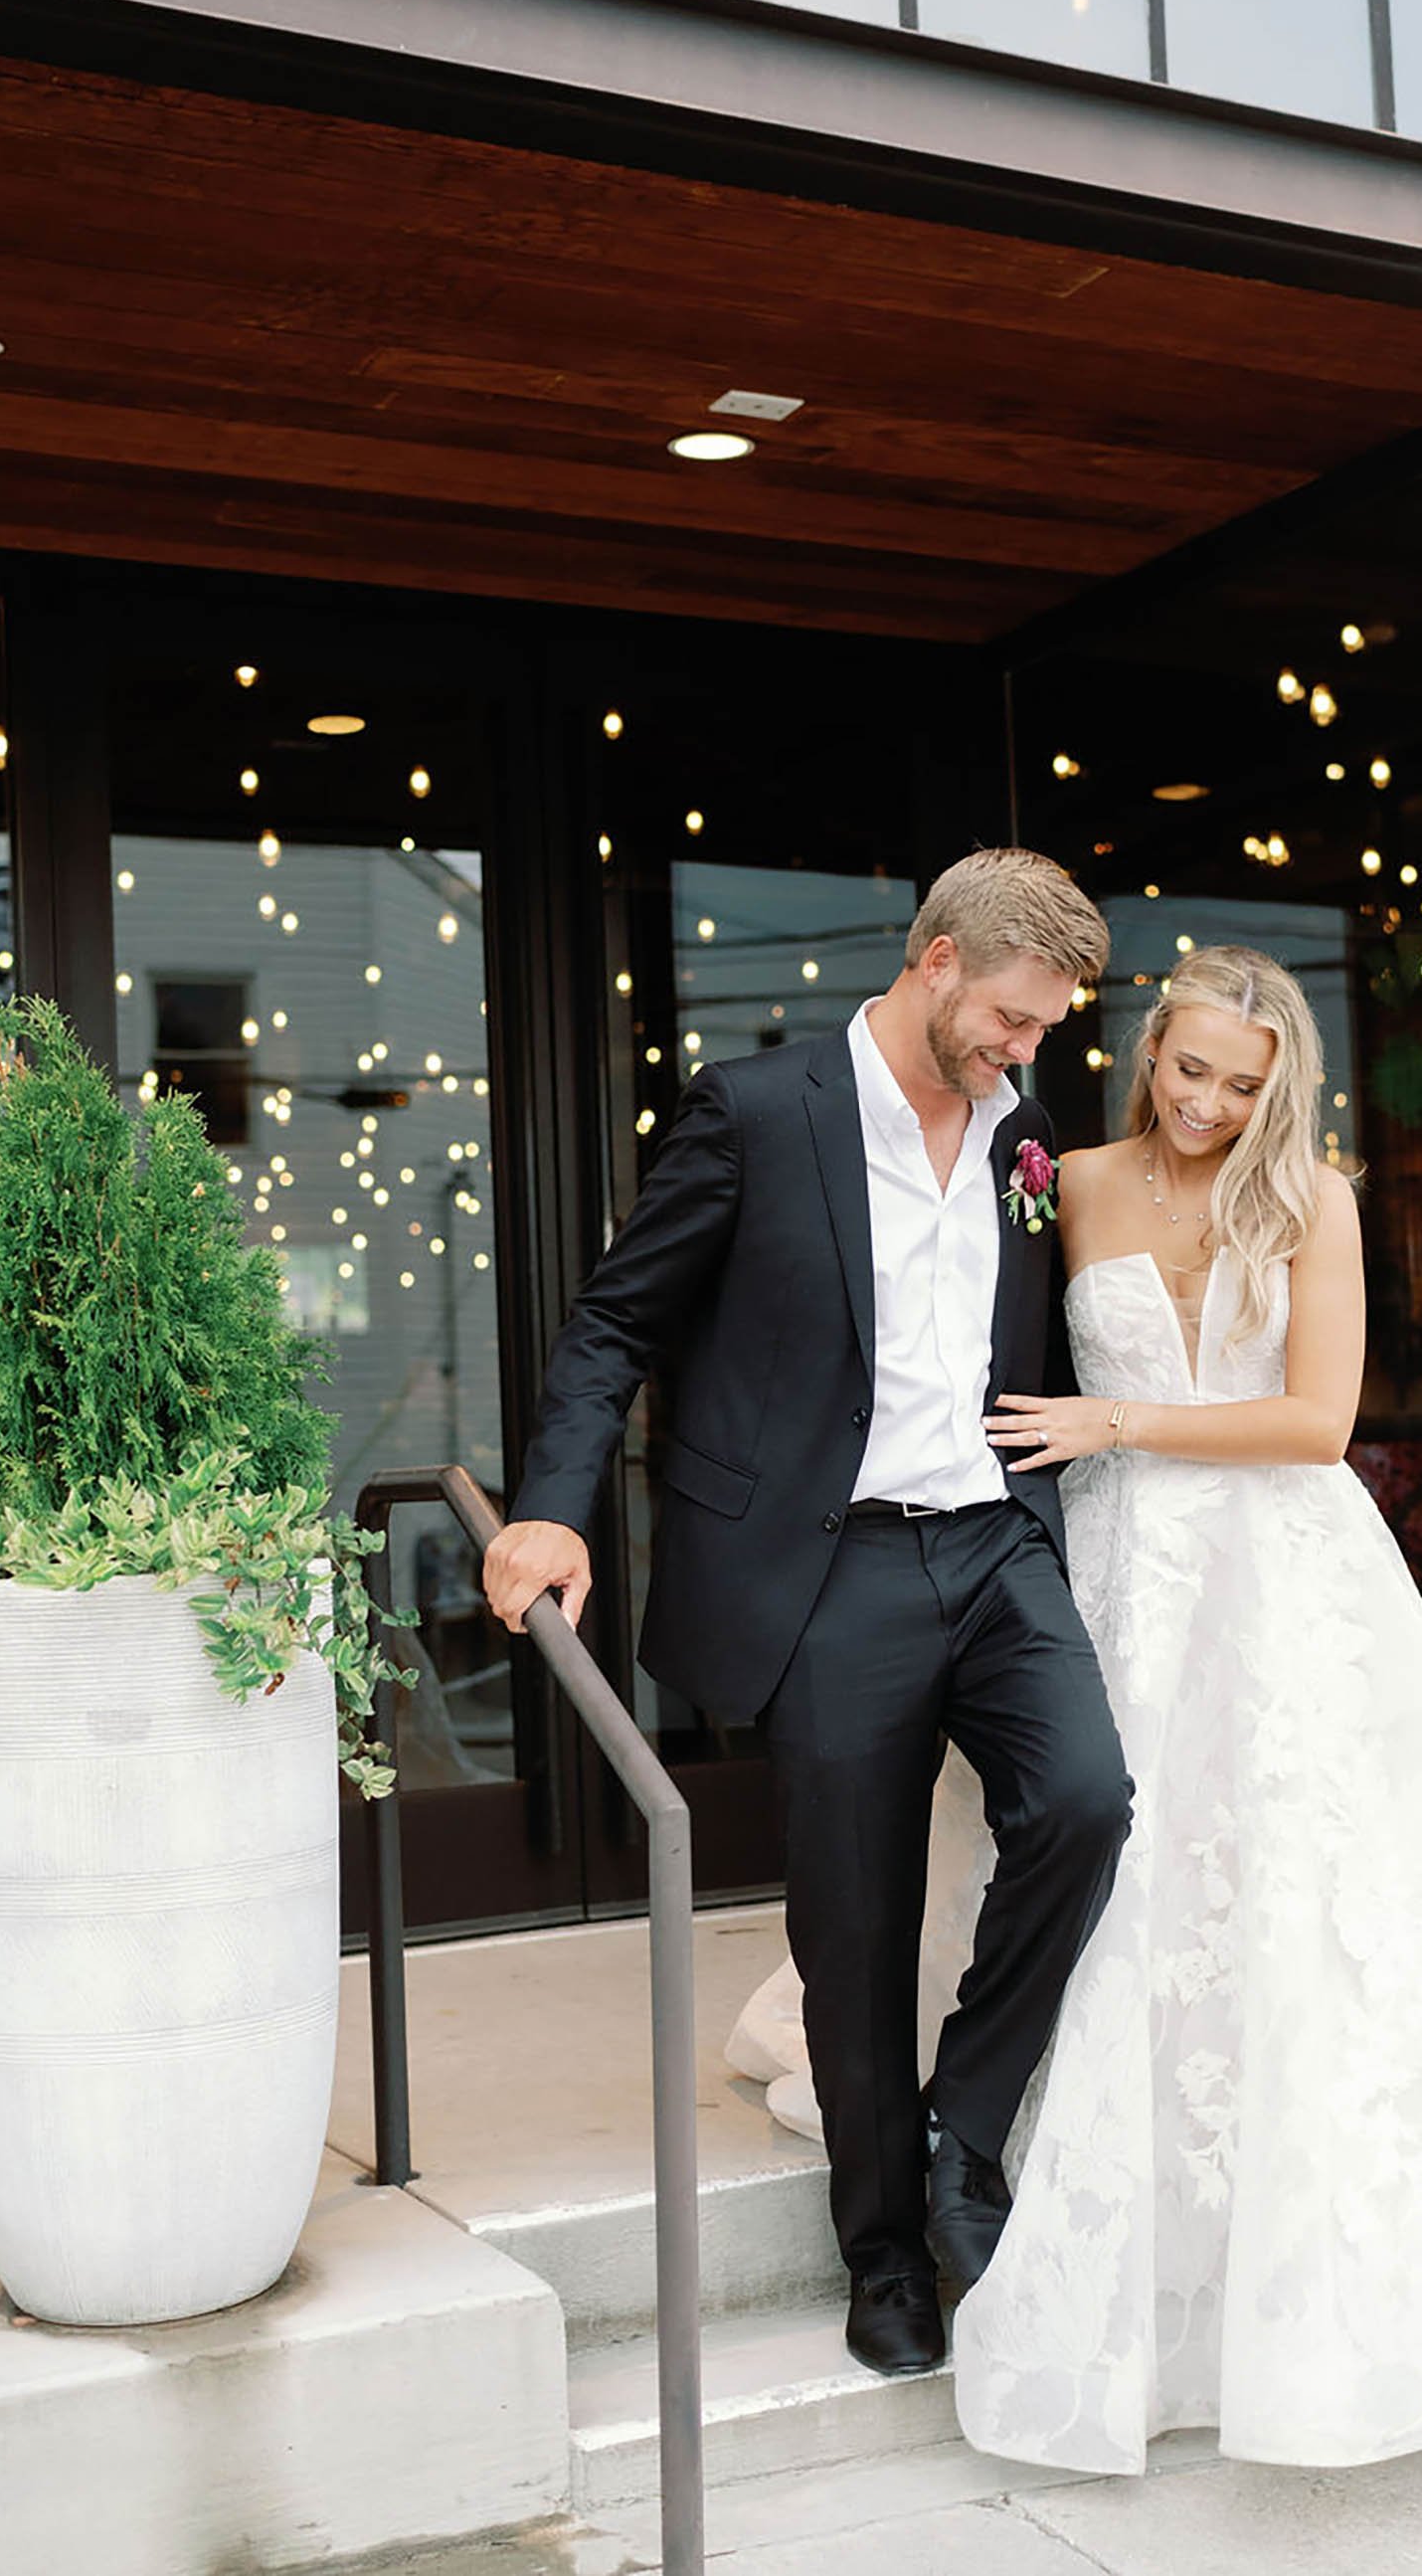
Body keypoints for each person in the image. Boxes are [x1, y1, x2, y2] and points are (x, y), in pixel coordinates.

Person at [734, 941, 1422, 2469]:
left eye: (1244, 1087)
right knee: (1106, 1843)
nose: (1209, 1105)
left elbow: (1317, 1419)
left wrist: (1121, 1415)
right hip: (1104, 1570)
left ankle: (1275, 2251)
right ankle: (976, 2166)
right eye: (1189, 1071)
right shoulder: (1060, 1176)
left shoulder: (1314, 1197)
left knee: (1289, 1887)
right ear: (1145, 1049)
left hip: (1276, 1568)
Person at [481, 847, 1132, 2380]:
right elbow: (612, 1320)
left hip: (994, 1542)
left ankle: (962, 2132)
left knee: (1090, 1802)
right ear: (937, 959)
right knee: (856, 1920)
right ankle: (883, 2248)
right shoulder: (758, 1111)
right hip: (835, 1560)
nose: (1029, 1052)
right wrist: (554, 1500)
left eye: (1044, 1030)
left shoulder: (1019, 1130)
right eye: (1016, 1018)